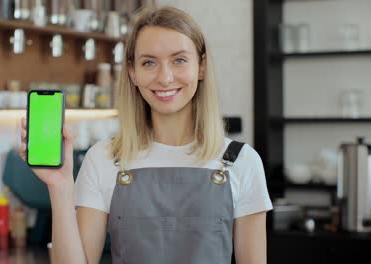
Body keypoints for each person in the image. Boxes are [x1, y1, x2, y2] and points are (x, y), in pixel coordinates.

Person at [20, 6, 272, 264]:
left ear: (201, 67)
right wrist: (60, 187)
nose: (165, 77)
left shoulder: (241, 162)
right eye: (149, 62)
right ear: (132, 72)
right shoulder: (104, 158)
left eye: (179, 60)